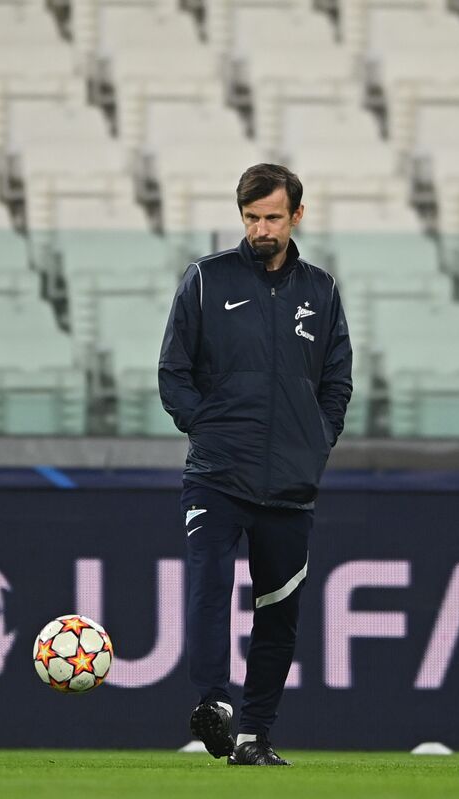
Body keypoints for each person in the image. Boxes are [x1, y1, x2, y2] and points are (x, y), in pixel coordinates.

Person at [158, 164, 352, 766]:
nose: (261, 228)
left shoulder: (321, 291)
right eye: (250, 217)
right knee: (210, 584)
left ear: (297, 215)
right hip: (217, 474)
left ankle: (255, 735)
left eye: (272, 216)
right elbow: (173, 373)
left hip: (290, 485)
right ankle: (213, 703)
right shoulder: (205, 280)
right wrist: (208, 427)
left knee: (278, 613)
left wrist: (313, 443)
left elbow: (337, 384)